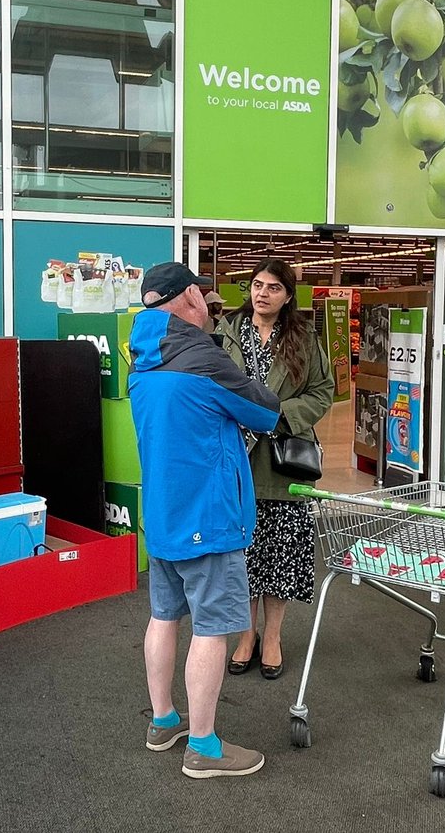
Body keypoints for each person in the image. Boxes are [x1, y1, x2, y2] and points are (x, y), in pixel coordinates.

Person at [128, 262, 281, 779]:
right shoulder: (204, 359)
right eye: (206, 300)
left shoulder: (140, 358)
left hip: (163, 516)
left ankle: (163, 721)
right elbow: (265, 411)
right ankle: (204, 748)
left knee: (163, 617)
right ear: (192, 297)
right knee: (212, 630)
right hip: (208, 518)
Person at [216, 258, 335, 681]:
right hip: (236, 458)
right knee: (242, 556)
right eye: (256, 285)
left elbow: (323, 391)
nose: (261, 293)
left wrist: (279, 413)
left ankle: (272, 638)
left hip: (283, 460)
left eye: (272, 287)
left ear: (287, 296)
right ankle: (246, 635)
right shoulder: (225, 333)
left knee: (280, 555)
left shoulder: (303, 338)